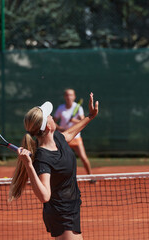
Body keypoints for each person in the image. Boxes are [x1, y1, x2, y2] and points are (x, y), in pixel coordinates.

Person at [9, 92, 99, 240]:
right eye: (49, 116)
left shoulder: (57, 139)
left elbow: (69, 134)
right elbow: (45, 196)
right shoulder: (43, 158)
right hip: (61, 214)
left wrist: (90, 116)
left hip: (71, 208)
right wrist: (28, 165)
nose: (52, 117)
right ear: (48, 126)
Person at [53, 89, 93, 175]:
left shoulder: (78, 108)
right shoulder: (61, 108)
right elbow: (53, 121)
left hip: (76, 137)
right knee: (57, 159)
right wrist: (60, 128)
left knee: (83, 158)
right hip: (63, 137)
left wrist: (73, 120)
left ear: (74, 97)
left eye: (71, 95)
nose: (69, 97)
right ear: (64, 97)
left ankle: (91, 177)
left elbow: (83, 121)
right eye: (67, 95)